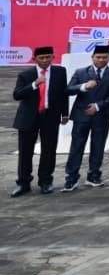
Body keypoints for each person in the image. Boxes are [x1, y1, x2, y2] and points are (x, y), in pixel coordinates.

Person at [63, 41, 109, 191]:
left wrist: (98, 106)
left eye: (104, 57)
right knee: (76, 147)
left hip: (101, 116)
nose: (101, 60)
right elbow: (68, 89)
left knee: (98, 147)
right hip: (81, 116)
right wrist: (83, 87)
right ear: (92, 57)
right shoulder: (81, 72)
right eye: (98, 57)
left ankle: (94, 175)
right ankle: (71, 178)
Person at [10, 45, 68, 196]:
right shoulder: (26, 75)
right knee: (25, 152)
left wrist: (65, 114)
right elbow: (17, 95)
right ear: (34, 59)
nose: (45, 60)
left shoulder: (60, 72)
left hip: (50, 116)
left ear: (53, 57)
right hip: (28, 117)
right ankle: (23, 183)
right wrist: (34, 84)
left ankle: (46, 181)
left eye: (48, 57)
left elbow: (64, 94)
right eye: (41, 58)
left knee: (49, 150)